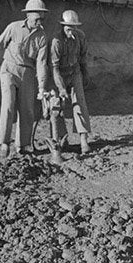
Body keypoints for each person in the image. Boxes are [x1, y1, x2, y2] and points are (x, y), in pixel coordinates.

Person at [0, 0, 50, 157]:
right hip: (9, 70)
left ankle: (24, 145)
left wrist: (42, 87)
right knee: (8, 106)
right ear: (29, 15)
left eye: (42, 18)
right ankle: (4, 144)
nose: (40, 22)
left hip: (28, 73)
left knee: (27, 110)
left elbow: (41, 63)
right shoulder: (14, 27)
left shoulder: (42, 37)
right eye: (37, 18)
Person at [50, 9, 92, 156]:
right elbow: (54, 68)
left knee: (80, 103)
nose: (71, 31)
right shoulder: (56, 41)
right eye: (68, 28)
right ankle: (62, 139)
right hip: (59, 74)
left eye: (74, 28)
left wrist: (85, 74)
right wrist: (61, 89)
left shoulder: (80, 37)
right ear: (63, 26)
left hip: (75, 72)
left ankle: (83, 140)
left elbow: (83, 57)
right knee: (57, 105)